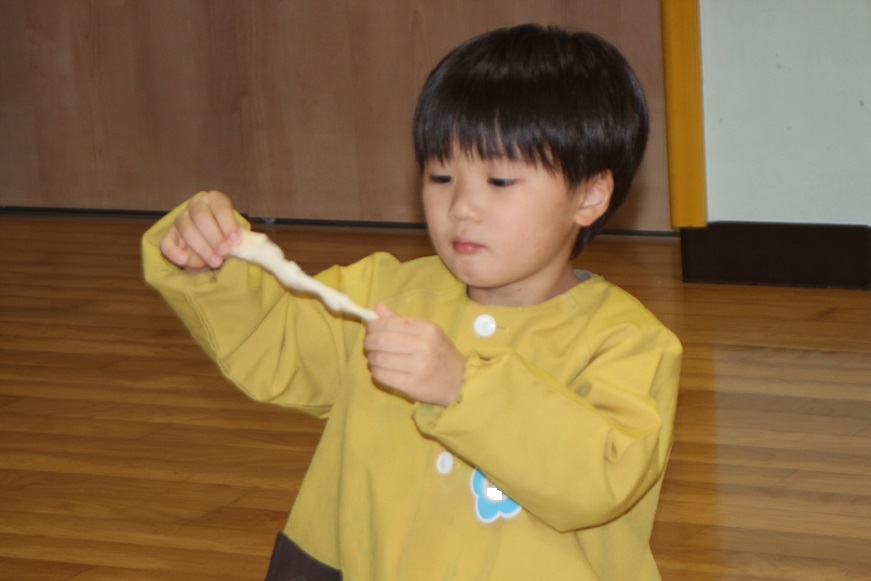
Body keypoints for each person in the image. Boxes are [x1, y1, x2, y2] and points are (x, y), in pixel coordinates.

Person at [143, 23, 682, 580]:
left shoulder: (628, 344)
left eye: (500, 181)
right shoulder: (383, 294)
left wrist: (462, 388)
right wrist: (212, 265)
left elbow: (602, 476)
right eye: (441, 176)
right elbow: (275, 344)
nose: (461, 206)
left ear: (589, 195)